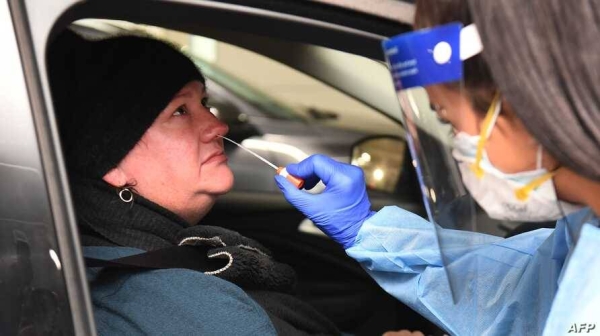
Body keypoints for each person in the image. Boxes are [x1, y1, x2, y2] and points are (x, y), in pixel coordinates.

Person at [275, 0, 600, 335]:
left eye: (448, 121)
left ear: (522, 104)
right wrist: (364, 229)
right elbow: (513, 292)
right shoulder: (584, 232)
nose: (456, 147)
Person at [47, 29, 346, 336]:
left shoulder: (100, 250)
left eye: (204, 102)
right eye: (180, 111)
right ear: (111, 161)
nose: (218, 125)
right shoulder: (199, 311)